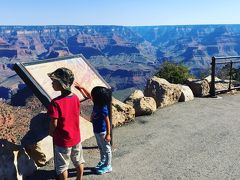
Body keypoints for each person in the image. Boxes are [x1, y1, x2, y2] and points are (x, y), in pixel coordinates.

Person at [47, 67, 84, 180]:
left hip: (62, 140)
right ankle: (79, 178)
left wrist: (51, 133)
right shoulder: (76, 98)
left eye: (54, 81)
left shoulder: (55, 102)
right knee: (78, 160)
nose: (52, 83)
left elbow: (54, 123)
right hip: (76, 137)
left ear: (62, 84)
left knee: (62, 167)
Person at [75, 82, 112, 175]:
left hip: (103, 132)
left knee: (107, 149)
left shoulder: (103, 109)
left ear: (98, 98)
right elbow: (88, 95)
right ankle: (103, 161)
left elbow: (107, 121)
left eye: (94, 95)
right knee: (101, 147)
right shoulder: (97, 102)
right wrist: (82, 88)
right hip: (97, 131)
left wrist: (108, 134)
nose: (92, 96)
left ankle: (108, 166)